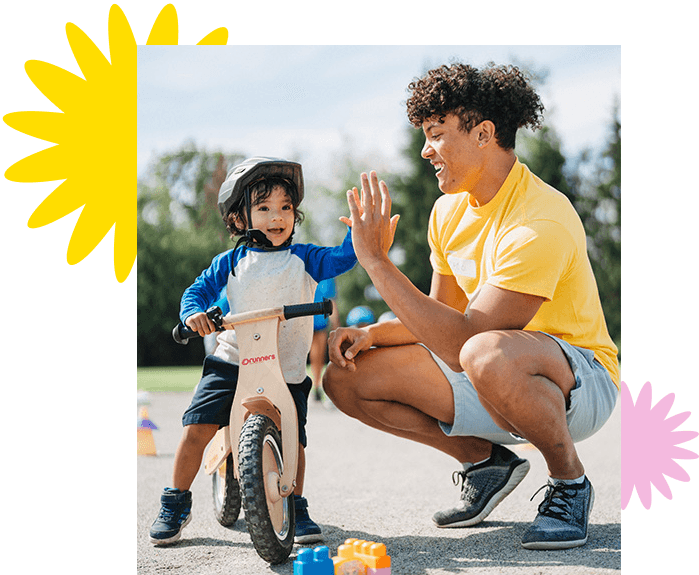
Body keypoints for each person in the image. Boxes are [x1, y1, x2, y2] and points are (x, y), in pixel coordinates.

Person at [323, 63, 620, 550]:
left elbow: (465, 341)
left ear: (483, 134)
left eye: (436, 134)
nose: (425, 150)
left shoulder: (541, 218)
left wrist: (376, 262)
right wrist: (374, 335)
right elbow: (439, 319)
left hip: (581, 380)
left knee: (485, 354)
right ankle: (485, 463)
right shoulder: (448, 210)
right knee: (346, 376)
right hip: (490, 362)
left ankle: (569, 483)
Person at [149, 157, 357, 546]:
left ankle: (295, 503)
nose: (276, 216)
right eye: (263, 208)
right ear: (239, 219)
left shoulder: (306, 259)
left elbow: (343, 259)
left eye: (285, 208)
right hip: (232, 361)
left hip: (287, 369)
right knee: (196, 429)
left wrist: (357, 235)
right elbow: (196, 293)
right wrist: (193, 313)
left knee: (293, 437)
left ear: (295, 215)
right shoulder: (231, 262)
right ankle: (175, 501)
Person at [309, 278, 340, 401]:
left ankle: (315, 386)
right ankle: (316, 385)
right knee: (318, 355)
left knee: (315, 354)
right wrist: (336, 324)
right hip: (319, 316)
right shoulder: (328, 275)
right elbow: (331, 301)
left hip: (303, 315)